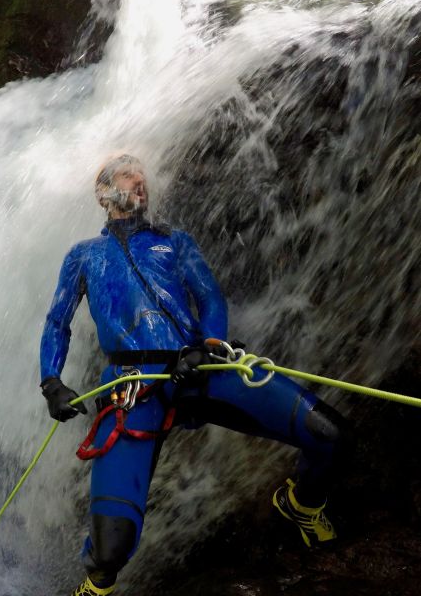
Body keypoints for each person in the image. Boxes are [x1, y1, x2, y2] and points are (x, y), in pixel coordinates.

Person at [39, 154, 352, 596]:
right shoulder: (83, 256)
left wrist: (207, 345)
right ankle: (95, 587)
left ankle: (301, 502)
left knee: (331, 434)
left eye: (143, 178)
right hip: (133, 388)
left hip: (197, 368)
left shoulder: (174, 241)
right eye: (130, 176)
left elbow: (210, 299)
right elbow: (57, 322)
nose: (141, 183)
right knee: (110, 550)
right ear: (103, 192)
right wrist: (51, 382)